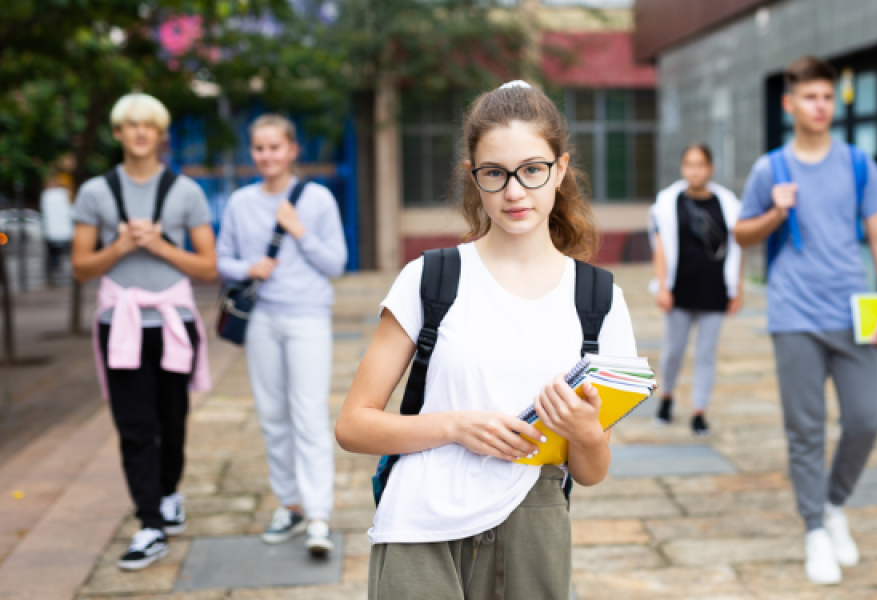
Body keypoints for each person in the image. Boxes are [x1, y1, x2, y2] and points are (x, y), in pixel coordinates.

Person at [336, 80, 636, 599]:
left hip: (535, 520)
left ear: (560, 169)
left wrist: (585, 432)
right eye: (495, 174)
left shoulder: (599, 299)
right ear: (474, 177)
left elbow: (591, 472)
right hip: (419, 524)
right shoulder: (430, 278)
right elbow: (353, 425)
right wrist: (455, 426)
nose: (514, 191)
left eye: (532, 170)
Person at [733, 56, 877, 586]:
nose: (820, 106)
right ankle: (814, 530)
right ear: (790, 105)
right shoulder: (771, 169)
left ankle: (833, 504)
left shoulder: (857, 163)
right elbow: (741, 235)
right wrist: (775, 213)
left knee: (866, 419)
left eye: (827, 97)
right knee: (805, 431)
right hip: (795, 314)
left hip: (855, 311)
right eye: (810, 97)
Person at [71, 93, 217, 570]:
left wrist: (159, 245)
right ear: (117, 133)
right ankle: (149, 523)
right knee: (133, 426)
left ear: (160, 135)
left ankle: (168, 492)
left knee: (171, 422)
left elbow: (207, 266)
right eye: (130, 125)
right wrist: (117, 247)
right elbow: (81, 268)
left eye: (148, 126)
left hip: (172, 323)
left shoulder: (185, 192)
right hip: (122, 325)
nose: (139, 133)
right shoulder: (95, 191)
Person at [216, 114, 347, 557]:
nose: (267, 155)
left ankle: (318, 516)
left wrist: (299, 231)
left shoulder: (318, 199)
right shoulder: (240, 202)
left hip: (308, 317)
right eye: (259, 148)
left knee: (308, 414)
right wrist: (246, 268)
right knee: (272, 415)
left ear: (292, 150)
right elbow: (223, 260)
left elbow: (336, 263)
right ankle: (289, 505)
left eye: (275, 147)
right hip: (261, 321)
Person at [649, 143, 743, 437]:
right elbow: (660, 247)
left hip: (715, 290)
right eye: (689, 164)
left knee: (706, 354)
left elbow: (737, 248)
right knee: (674, 351)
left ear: (710, 168)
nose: (695, 170)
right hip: (680, 290)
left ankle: (699, 411)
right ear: (682, 168)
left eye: (700, 164)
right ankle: (666, 396)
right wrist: (662, 285)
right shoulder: (668, 203)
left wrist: (737, 289)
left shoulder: (728, 204)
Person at [40, 174, 74, 285]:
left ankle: (55, 273)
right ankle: (69, 274)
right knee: (68, 254)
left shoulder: (46, 195)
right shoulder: (66, 194)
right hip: (67, 232)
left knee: (54, 256)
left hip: (51, 233)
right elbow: (72, 212)